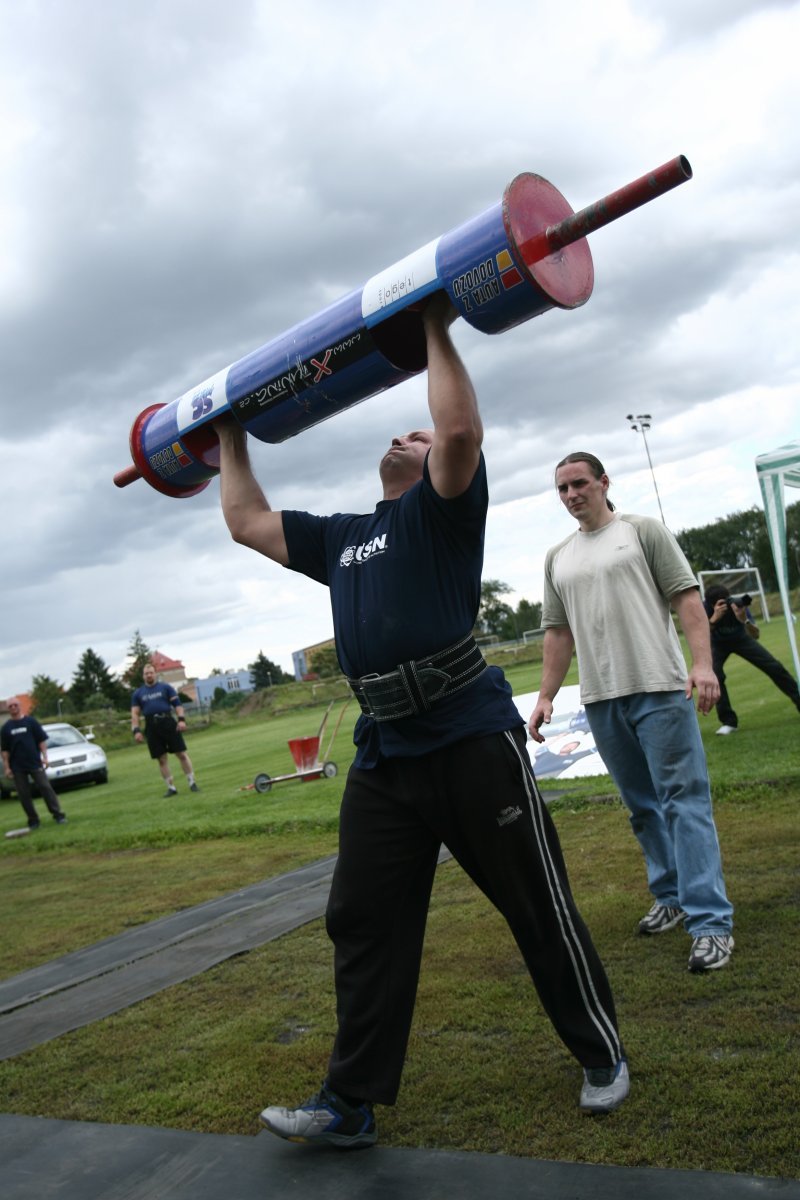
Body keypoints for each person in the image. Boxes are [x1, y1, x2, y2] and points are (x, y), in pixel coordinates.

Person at [215, 296, 629, 1148]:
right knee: (359, 916)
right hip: (386, 754)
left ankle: (600, 1052)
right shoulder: (342, 538)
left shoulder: (443, 510)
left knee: (533, 901)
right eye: (401, 435)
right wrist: (226, 432)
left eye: (418, 433)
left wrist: (431, 325)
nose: (409, 436)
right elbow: (246, 521)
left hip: (468, 735)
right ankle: (349, 1102)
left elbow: (462, 431)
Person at [528, 452, 734, 975]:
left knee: (684, 802)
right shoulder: (558, 557)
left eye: (580, 483)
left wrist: (703, 666)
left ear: (603, 482)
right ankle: (669, 895)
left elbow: (687, 598)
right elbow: (558, 633)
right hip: (601, 699)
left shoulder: (642, 532)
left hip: (660, 688)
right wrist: (547, 694)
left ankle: (711, 923)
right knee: (643, 808)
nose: (572, 494)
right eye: (562, 488)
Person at [704, 583, 800, 734]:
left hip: (741, 639)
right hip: (718, 644)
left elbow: (756, 635)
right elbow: (702, 635)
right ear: (711, 603)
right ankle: (729, 722)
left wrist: (744, 620)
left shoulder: (737, 604)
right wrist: (714, 618)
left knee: (774, 666)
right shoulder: (706, 608)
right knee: (716, 675)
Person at [130, 663, 199, 796]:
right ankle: (171, 788)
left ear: (155, 674)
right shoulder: (138, 693)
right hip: (152, 726)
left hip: (168, 723)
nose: (149, 675)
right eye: (146, 673)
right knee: (161, 759)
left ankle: (192, 783)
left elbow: (177, 705)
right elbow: (135, 714)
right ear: (143, 676)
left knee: (181, 754)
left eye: (151, 672)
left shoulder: (165, 688)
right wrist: (136, 730)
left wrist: (181, 720)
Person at [1, 698, 67, 829]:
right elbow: (5, 750)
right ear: (8, 709)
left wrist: (45, 757)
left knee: (45, 787)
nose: (13, 707)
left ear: (20, 706)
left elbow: (41, 741)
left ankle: (58, 815)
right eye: (10, 706)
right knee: (23, 794)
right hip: (17, 767)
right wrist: (7, 767)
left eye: (15, 705)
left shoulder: (31, 722)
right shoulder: (6, 728)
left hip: (34, 762)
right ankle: (33, 820)